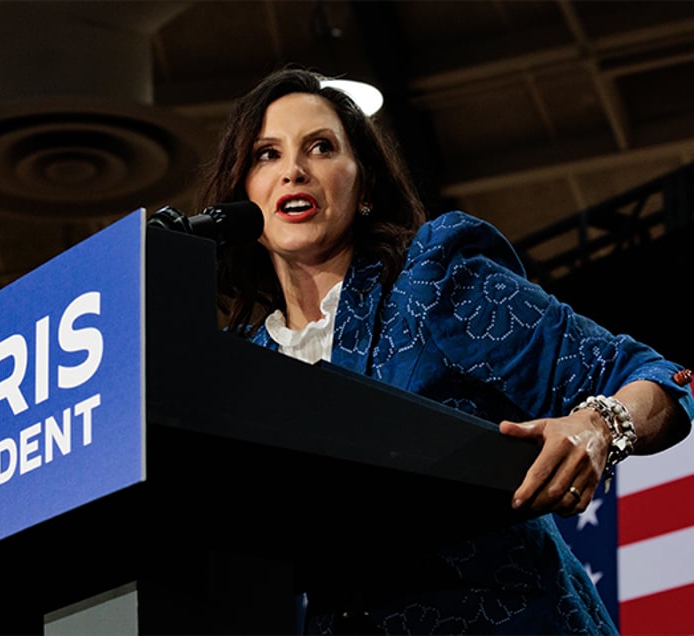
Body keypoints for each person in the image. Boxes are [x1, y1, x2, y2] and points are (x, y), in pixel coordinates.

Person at [194, 67, 694, 634]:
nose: (293, 171)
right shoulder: (243, 366)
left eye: (321, 147)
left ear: (365, 187)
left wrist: (600, 425)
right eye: (266, 155)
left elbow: (657, 377)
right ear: (243, 193)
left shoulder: (433, 282)